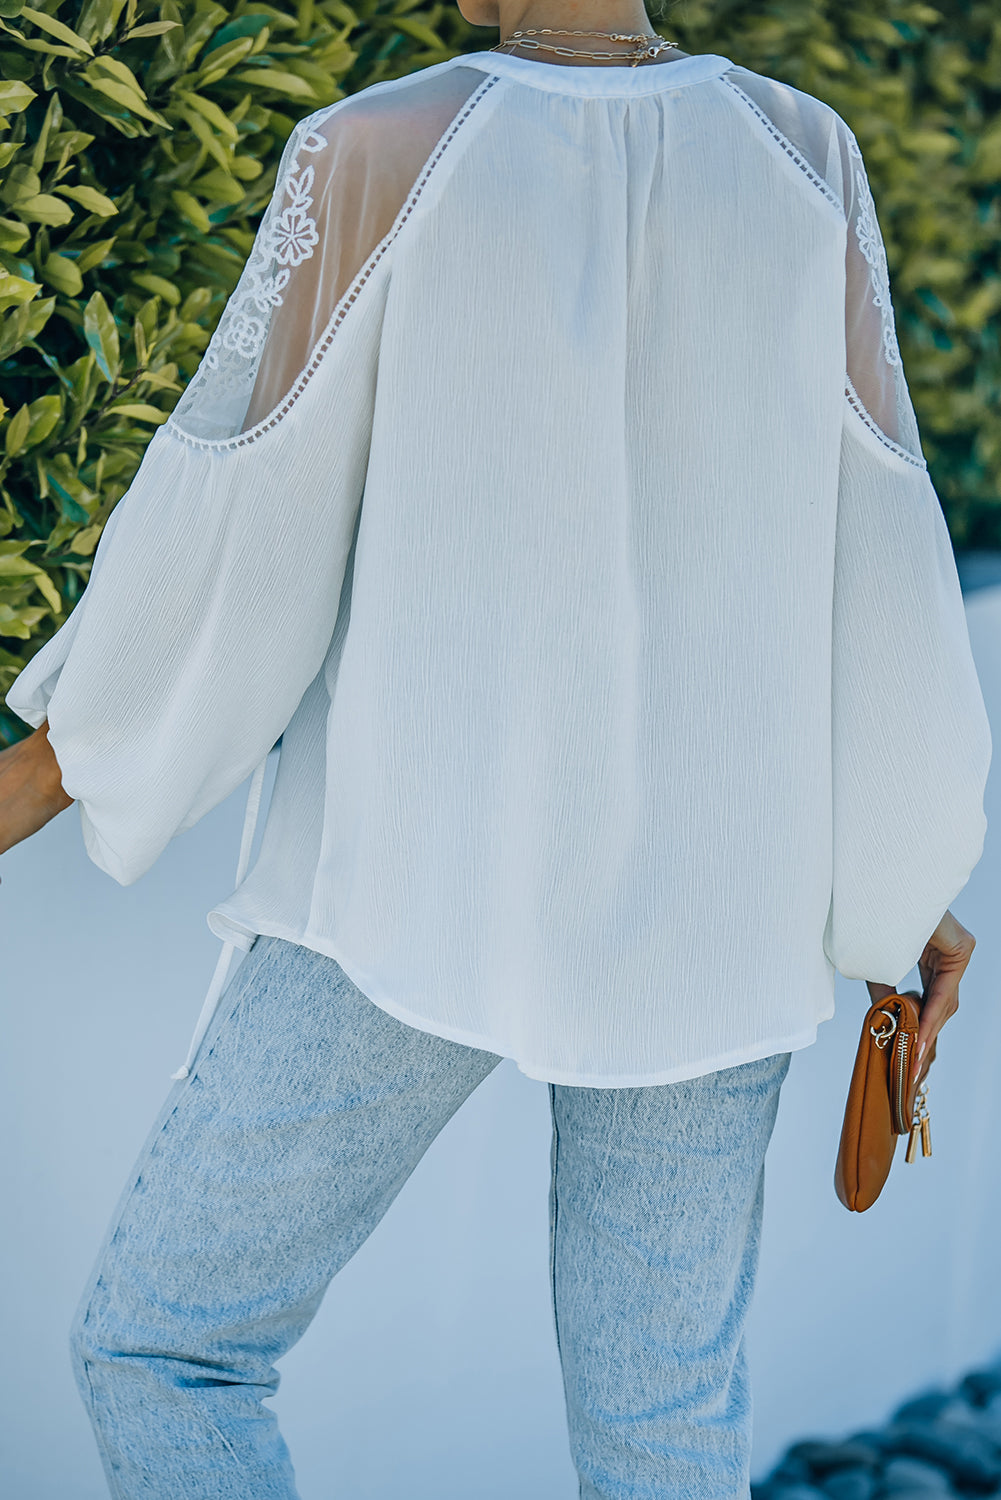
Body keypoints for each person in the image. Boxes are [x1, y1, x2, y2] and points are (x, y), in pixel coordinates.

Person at [0, 2, 991, 1495]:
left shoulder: (382, 149)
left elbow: (240, 537)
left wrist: (46, 769)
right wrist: (899, 880)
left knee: (167, 1347)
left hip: (415, 881)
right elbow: (880, 543)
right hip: (720, 910)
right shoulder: (802, 155)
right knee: (662, 1429)